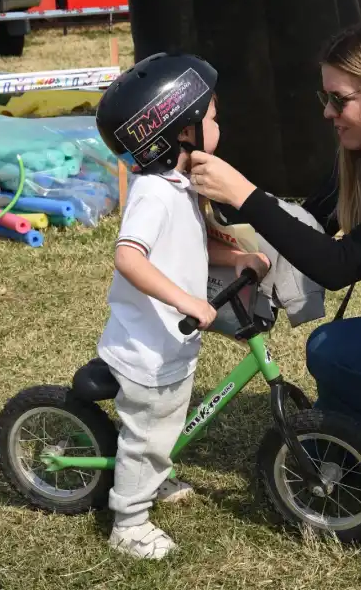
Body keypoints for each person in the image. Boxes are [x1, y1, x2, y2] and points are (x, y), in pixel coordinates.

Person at [187, 20, 361, 511]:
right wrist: (226, 224)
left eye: (340, 99)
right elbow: (311, 220)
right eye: (325, 98)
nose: (327, 112)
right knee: (343, 366)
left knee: (332, 348)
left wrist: (245, 194)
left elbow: (337, 265)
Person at [94, 52, 270, 560]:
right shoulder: (152, 193)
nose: (219, 122)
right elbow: (130, 257)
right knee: (147, 435)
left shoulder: (177, 186)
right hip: (147, 350)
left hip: (173, 341)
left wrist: (237, 258)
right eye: (211, 116)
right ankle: (128, 521)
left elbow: (188, 245)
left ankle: (154, 479)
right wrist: (186, 299)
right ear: (182, 131)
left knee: (166, 426)